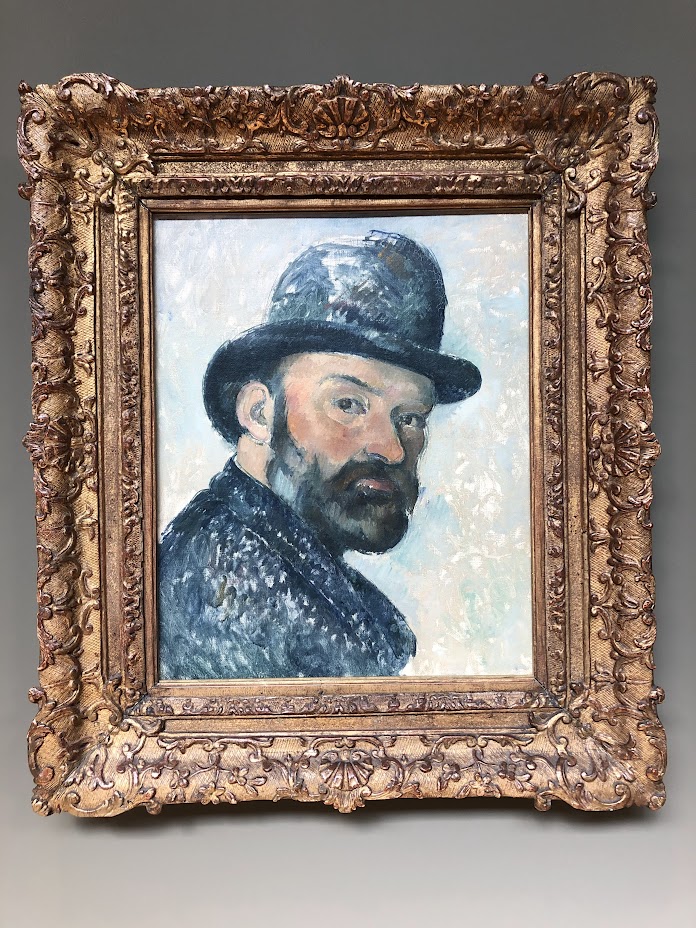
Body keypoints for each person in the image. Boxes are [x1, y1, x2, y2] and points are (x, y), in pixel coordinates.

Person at [158, 231, 481, 679]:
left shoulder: (289, 562)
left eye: (410, 418)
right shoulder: (227, 585)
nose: (391, 449)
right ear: (259, 413)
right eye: (348, 404)